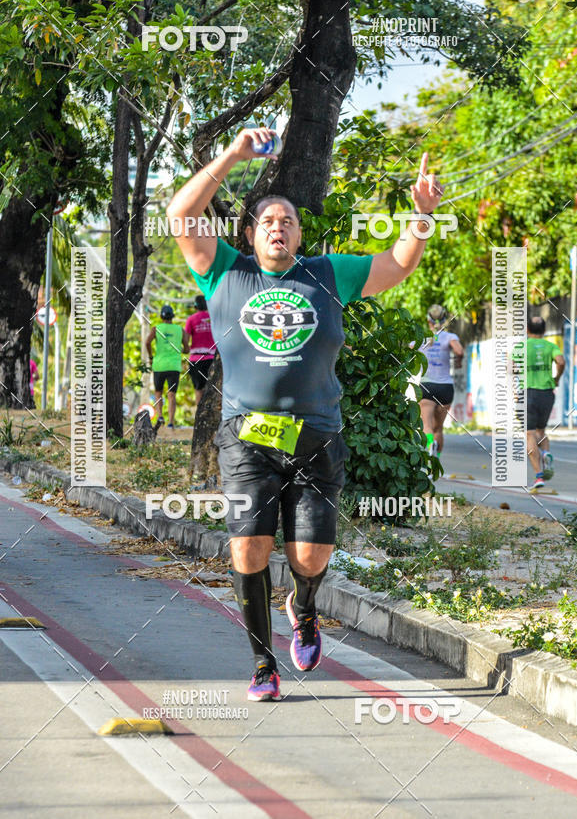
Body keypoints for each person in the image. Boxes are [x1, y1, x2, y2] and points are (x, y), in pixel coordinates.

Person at [167, 127, 443, 701]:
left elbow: (396, 266)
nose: (278, 227)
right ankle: (263, 663)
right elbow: (180, 213)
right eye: (267, 220)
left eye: (287, 220)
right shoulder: (224, 271)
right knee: (248, 548)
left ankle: (303, 604)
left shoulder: (326, 274)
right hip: (246, 438)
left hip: (317, 437)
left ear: (299, 233)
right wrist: (235, 155)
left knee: (310, 556)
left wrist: (420, 218)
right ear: (250, 232)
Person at [525, 315, 565, 490]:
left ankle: (539, 476)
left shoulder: (521, 347)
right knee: (541, 430)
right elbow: (561, 362)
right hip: (547, 394)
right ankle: (546, 453)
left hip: (528, 392)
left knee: (529, 434)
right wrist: (556, 378)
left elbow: (511, 368)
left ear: (527, 330)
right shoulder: (551, 346)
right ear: (544, 331)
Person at [418, 305, 464, 456]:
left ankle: (430, 446)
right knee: (439, 428)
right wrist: (459, 361)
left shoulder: (421, 338)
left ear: (428, 320)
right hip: (445, 387)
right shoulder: (450, 337)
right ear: (444, 319)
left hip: (426, 386)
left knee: (427, 425)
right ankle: (436, 460)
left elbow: (408, 352)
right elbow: (459, 351)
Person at [145, 305, 187, 429]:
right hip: (174, 366)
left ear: (161, 316)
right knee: (171, 394)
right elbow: (187, 348)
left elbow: (147, 342)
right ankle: (171, 422)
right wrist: (181, 349)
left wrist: (151, 356)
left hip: (159, 365)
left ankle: (160, 417)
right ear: (172, 317)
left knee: (158, 392)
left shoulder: (156, 329)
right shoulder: (180, 330)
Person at [184, 295, 216, 405]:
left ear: (195, 306)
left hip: (196, 360)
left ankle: (199, 419)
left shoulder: (191, 319)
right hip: (212, 359)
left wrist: (185, 349)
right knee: (213, 391)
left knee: (198, 390)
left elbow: (186, 340)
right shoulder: (213, 318)